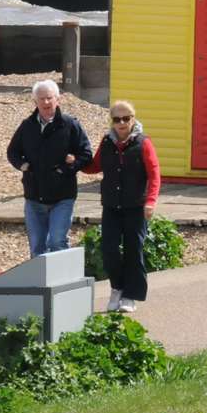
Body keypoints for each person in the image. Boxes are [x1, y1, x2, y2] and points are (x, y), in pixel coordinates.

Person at [80, 100, 161, 312]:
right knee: (109, 249)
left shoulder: (144, 143)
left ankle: (130, 296)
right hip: (111, 206)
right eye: (117, 119)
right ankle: (117, 288)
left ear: (133, 119)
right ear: (112, 121)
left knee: (134, 250)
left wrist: (151, 201)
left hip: (136, 206)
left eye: (126, 118)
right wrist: (75, 161)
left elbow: (154, 175)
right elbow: (95, 165)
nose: (122, 123)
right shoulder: (107, 141)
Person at [6, 80, 92, 257]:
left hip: (63, 196)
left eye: (49, 98)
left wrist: (69, 167)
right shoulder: (27, 126)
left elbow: (86, 153)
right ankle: (38, 284)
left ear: (57, 99)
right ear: (35, 102)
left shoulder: (70, 124)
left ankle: (62, 283)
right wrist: (23, 166)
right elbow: (12, 151)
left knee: (57, 241)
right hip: (34, 196)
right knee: (37, 246)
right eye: (41, 99)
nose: (46, 102)